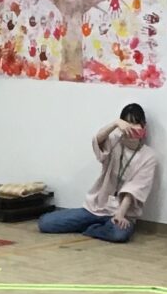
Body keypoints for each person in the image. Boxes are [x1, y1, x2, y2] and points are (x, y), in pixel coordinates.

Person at [36, 104, 158, 245]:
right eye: (127, 123)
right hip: (96, 208)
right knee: (45, 223)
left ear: (143, 126)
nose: (130, 128)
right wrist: (115, 124)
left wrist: (120, 214)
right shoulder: (115, 141)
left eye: (135, 123)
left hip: (123, 213)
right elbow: (98, 140)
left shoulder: (149, 156)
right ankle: (95, 226)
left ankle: (91, 229)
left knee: (119, 234)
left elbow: (134, 190)